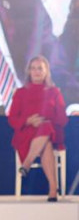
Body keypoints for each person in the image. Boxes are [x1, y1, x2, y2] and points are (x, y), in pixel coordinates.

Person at [8, 55, 68, 202]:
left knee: (45, 127)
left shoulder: (55, 92)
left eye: (40, 68)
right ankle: (53, 189)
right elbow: (12, 119)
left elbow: (63, 119)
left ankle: (26, 164)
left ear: (46, 71)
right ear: (29, 71)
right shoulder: (20, 92)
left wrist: (46, 120)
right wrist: (28, 121)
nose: (36, 71)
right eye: (33, 68)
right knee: (46, 143)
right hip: (27, 133)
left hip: (51, 132)